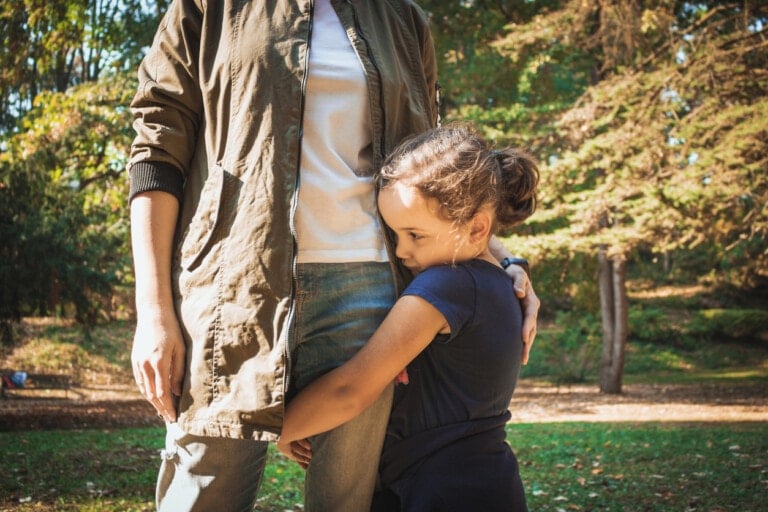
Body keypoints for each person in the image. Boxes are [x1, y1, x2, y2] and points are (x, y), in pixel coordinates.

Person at [128, 1, 540, 510]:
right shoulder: (206, 8)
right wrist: (153, 310)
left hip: (370, 294)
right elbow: (156, 150)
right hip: (232, 291)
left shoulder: (403, 19)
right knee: (200, 492)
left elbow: (438, 177)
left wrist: (500, 258)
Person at [277, 123, 536, 512]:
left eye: (416, 235)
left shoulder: (447, 286)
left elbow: (351, 389)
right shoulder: (494, 282)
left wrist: (282, 429)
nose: (401, 252)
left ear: (478, 228)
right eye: (395, 234)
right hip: (471, 482)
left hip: (449, 491)